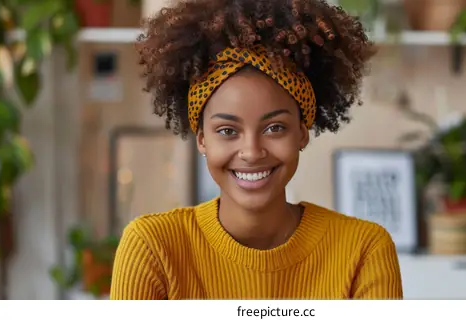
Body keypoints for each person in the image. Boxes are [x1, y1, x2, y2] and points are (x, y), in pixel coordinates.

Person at [110, 0, 403, 300]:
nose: (251, 152)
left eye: (274, 128)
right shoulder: (153, 249)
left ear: (302, 132)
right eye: (227, 131)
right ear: (201, 139)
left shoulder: (363, 251)